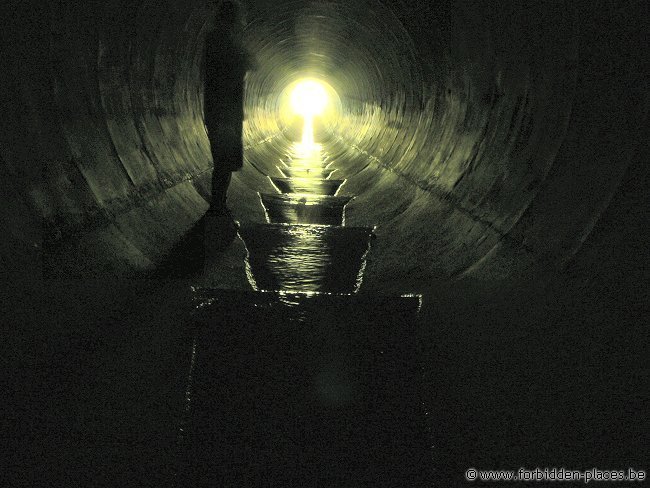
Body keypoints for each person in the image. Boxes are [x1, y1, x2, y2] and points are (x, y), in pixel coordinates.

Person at [203, 0, 252, 249]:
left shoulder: (216, 40)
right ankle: (217, 206)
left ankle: (218, 204)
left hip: (220, 110)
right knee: (224, 160)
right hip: (225, 111)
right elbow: (243, 65)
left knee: (225, 160)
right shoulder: (225, 42)